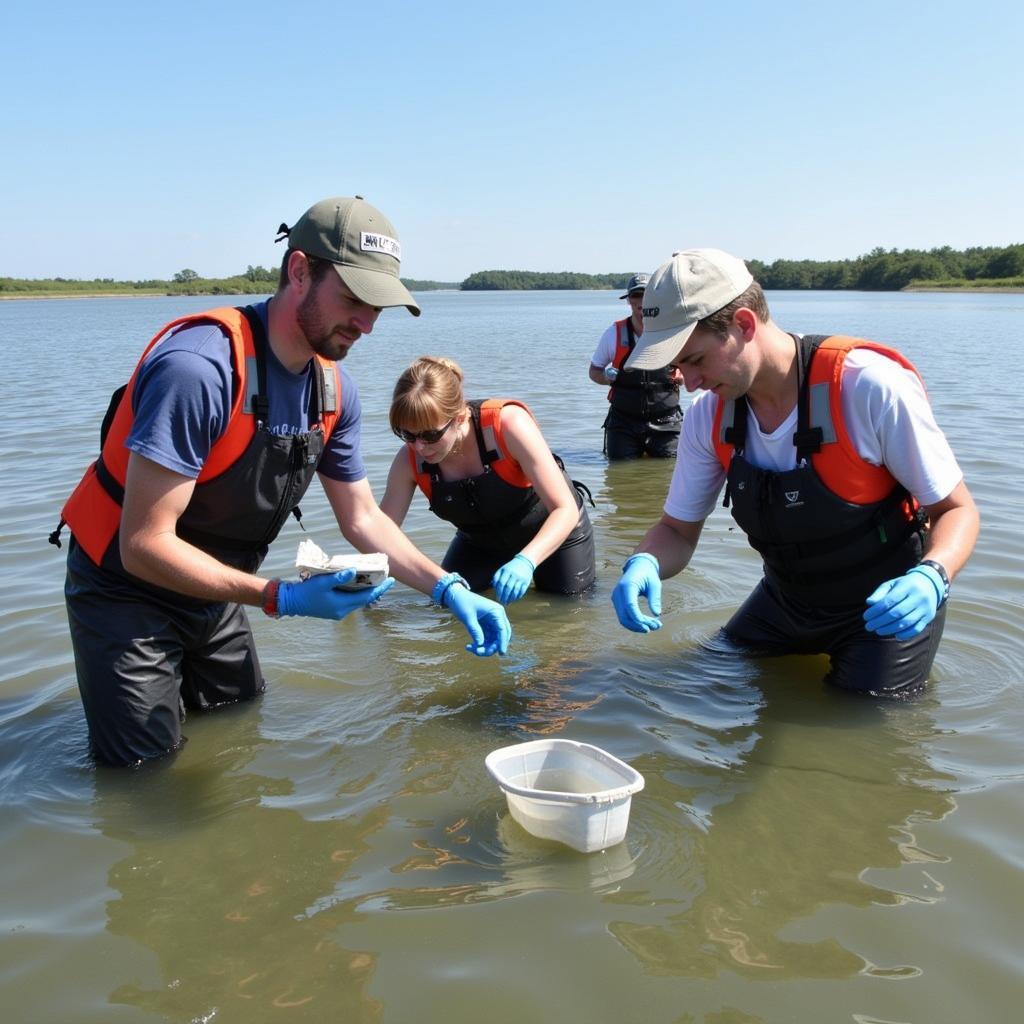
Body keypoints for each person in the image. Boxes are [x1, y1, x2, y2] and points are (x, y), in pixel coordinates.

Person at [53, 196, 512, 767]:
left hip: (214, 589)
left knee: (240, 725)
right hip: (126, 588)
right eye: (354, 299)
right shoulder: (199, 370)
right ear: (299, 271)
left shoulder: (335, 392)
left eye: (379, 307)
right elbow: (144, 544)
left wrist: (448, 588)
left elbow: (364, 519)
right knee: (145, 775)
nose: (367, 324)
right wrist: (281, 597)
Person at [611, 248, 979, 696]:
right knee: (703, 680)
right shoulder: (710, 417)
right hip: (785, 601)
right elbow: (677, 531)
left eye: (695, 360)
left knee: (855, 734)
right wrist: (644, 561)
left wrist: (932, 576)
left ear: (744, 325)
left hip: (885, 608)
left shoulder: (868, 387)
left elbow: (957, 510)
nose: (687, 383)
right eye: (676, 367)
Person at [379, 357, 596, 602]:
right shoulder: (409, 461)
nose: (419, 447)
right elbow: (379, 532)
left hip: (555, 531)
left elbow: (564, 509)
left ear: (459, 417)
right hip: (480, 544)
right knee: (448, 607)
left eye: (430, 434)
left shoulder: (508, 425)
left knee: (568, 612)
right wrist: (371, 573)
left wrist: (526, 561)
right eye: (407, 433)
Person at [589, 272, 684, 459]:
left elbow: (695, 366)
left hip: (667, 420)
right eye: (636, 296)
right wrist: (606, 377)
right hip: (623, 422)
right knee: (620, 473)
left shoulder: (672, 332)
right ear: (628, 301)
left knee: (670, 472)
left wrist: (683, 374)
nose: (641, 302)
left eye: (646, 295)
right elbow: (594, 371)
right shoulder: (613, 334)